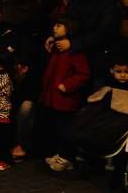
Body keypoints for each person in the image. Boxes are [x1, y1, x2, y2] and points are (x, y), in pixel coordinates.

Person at [71, 54, 128, 158]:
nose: (123, 75)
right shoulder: (108, 83)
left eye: (127, 72)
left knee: (110, 128)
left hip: (124, 116)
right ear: (112, 71)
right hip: (106, 113)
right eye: (118, 71)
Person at [37, 18, 90, 172]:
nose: (54, 28)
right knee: (54, 127)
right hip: (52, 96)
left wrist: (66, 85)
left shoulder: (73, 51)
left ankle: (67, 157)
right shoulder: (56, 48)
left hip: (65, 98)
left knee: (65, 129)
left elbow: (83, 74)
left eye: (59, 25)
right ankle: (56, 154)